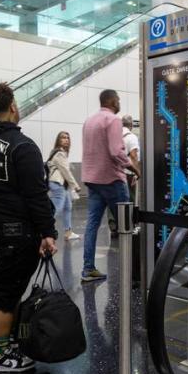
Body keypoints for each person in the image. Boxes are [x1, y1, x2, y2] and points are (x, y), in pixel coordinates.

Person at [0, 82, 57, 373]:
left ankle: (8, 344)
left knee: (7, 290)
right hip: (14, 234)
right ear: (13, 106)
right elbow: (36, 195)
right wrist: (48, 232)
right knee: (3, 297)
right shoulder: (22, 146)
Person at [80, 89, 138, 282]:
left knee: (92, 225)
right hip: (111, 179)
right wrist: (133, 168)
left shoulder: (89, 121)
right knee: (127, 224)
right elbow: (116, 151)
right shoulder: (113, 120)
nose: (119, 102)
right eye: (118, 99)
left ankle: (88, 269)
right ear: (113, 101)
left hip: (92, 179)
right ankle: (132, 271)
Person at [46, 132, 81, 241]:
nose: (66, 140)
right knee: (57, 208)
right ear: (58, 140)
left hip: (62, 185)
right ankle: (44, 230)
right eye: (63, 138)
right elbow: (65, 171)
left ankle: (68, 232)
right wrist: (75, 186)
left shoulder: (59, 152)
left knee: (67, 208)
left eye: (67, 138)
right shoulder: (59, 153)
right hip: (58, 184)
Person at [121, 115, 141, 205]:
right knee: (131, 198)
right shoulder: (131, 137)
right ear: (131, 125)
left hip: (116, 173)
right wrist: (136, 173)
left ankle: (115, 219)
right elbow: (133, 156)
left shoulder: (116, 135)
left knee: (118, 199)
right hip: (128, 173)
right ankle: (130, 218)